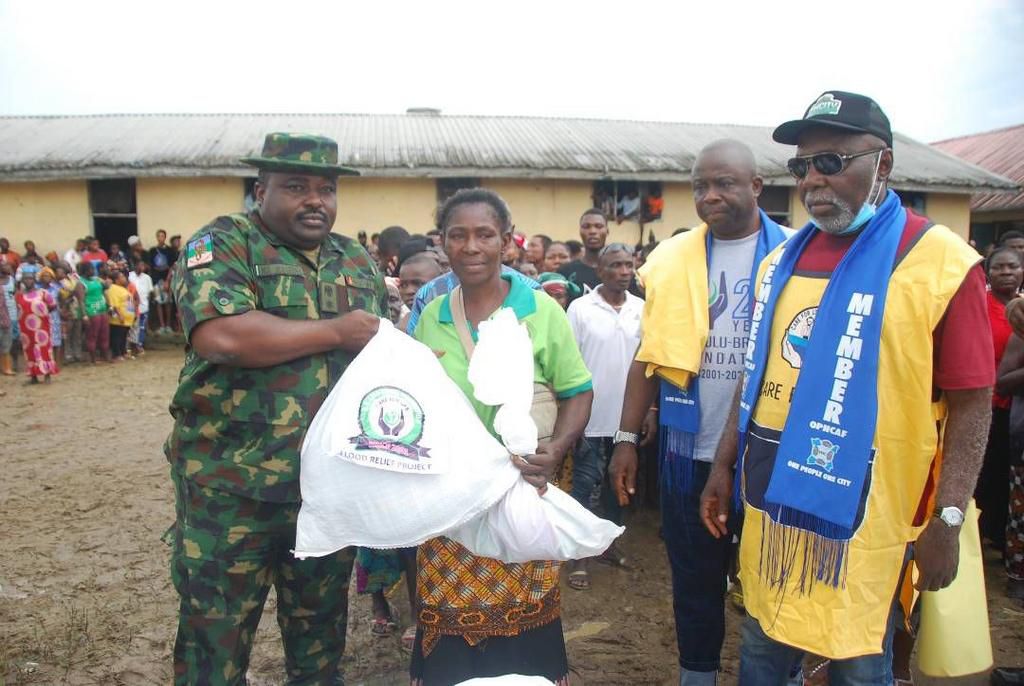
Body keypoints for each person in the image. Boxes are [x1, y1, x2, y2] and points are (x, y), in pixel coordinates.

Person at [699, 91, 992, 685]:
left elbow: (972, 400)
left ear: (882, 162)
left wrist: (951, 516)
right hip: (771, 501)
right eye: (802, 167)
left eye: (831, 162)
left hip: (864, 515)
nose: (812, 181)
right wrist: (721, 465)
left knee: (859, 660)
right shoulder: (779, 261)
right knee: (761, 649)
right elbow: (757, 373)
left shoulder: (938, 263)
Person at [165, 132, 386, 685]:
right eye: (296, 187)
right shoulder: (225, 243)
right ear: (260, 191)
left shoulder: (354, 260)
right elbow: (223, 337)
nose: (315, 200)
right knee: (213, 642)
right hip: (230, 488)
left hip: (326, 488)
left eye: (326, 189)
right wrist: (335, 330)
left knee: (319, 639)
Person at [609, 140, 789, 685]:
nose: (710, 196)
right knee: (693, 581)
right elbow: (649, 354)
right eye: (700, 186)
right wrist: (623, 438)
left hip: (769, 453)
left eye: (725, 183)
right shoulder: (672, 260)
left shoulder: (797, 255)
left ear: (756, 186)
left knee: (773, 579)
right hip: (688, 450)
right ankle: (698, 675)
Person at [409, 188, 593, 686]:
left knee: (525, 605)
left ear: (506, 242)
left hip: (521, 487)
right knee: (448, 608)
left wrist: (556, 450)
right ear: (442, 244)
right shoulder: (431, 317)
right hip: (449, 498)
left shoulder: (540, 311)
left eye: (484, 234)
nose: (472, 247)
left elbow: (578, 391)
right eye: (458, 235)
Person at [565, 243, 643, 591]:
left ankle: (607, 547)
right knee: (584, 489)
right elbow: (567, 365)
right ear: (600, 271)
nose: (624, 271)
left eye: (628, 265)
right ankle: (579, 557)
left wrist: (648, 413)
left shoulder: (643, 309)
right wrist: (571, 418)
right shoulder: (580, 309)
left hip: (626, 421)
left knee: (618, 489)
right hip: (590, 418)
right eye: (616, 265)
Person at [976, 247, 1024, 552]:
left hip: (1016, 407)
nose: (1006, 272)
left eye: (1013, 266)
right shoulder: (980, 305)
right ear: (988, 274)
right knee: (988, 473)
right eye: (999, 267)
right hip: (986, 400)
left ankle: (1000, 534)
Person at [15, 269, 58, 383]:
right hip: (26, 330)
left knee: (44, 350)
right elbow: (18, 310)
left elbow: (53, 305)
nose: (28, 281)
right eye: (26, 279)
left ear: (34, 280)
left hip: (41, 328)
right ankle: (33, 376)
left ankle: (47, 374)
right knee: (29, 351)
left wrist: (42, 313)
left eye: (30, 278)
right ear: (23, 281)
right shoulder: (19, 296)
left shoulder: (43, 293)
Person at [558, 210, 608, 294]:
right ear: (580, 231)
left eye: (598, 226)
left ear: (607, 231)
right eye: (586, 226)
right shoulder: (565, 271)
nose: (592, 231)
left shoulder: (620, 272)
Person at [148, 229, 177, 334]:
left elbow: (173, 266)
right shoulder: (152, 251)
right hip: (156, 280)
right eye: (159, 236)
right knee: (158, 302)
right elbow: (151, 267)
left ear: (165, 237)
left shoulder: (170, 251)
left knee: (168, 302)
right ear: (157, 237)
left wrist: (168, 281)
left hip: (167, 279)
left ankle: (168, 325)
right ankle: (162, 326)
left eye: (162, 236)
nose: (161, 238)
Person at [57, 264, 84, 363]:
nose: (58, 273)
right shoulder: (58, 284)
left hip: (77, 309)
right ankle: (68, 355)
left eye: (60, 271)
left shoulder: (74, 278)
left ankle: (77, 354)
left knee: (77, 334)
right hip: (67, 311)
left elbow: (81, 287)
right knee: (67, 334)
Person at [106, 269, 134, 361]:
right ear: (116, 280)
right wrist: (120, 315)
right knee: (117, 337)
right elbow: (114, 304)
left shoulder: (122, 288)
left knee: (123, 337)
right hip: (118, 319)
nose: (124, 278)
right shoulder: (113, 289)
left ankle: (123, 352)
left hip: (127, 319)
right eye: (122, 277)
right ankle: (117, 354)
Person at [39, 267, 63, 367]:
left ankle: (56, 363)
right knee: (44, 340)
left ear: (52, 278)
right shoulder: (37, 289)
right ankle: (46, 361)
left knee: (56, 340)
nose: (46, 278)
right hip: (41, 316)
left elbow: (61, 300)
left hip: (55, 316)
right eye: (44, 276)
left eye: (48, 276)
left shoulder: (56, 288)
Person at [0, 262, 16, 375]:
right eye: (6, 266)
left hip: (9, 314)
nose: (9, 267)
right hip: (3, 315)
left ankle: (8, 367)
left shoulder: (12, 280)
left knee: (8, 342)